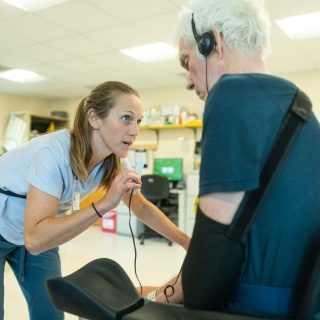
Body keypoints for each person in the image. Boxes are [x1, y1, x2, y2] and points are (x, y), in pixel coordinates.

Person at [141, 0, 320, 318]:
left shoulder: (231, 94)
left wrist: (156, 298)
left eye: (187, 62)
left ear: (212, 43)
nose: (188, 81)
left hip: (248, 308)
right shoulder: (298, 106)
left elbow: (209, 262)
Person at [0, 80, 190, 320]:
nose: (135, 131)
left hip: (37, 231)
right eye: (126, 118)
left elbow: (139, 204)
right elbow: (35, 239)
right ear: (94, 119)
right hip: (13, 225)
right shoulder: (53, 153)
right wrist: (102, 205)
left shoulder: (115, 159)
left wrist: (186, 241)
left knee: (50, 314)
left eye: (138, 121)